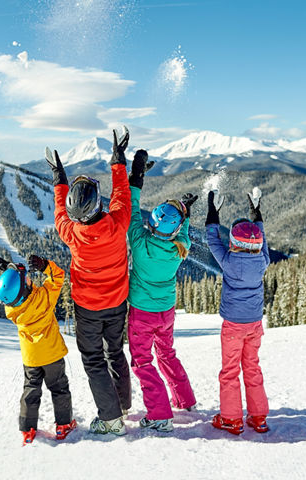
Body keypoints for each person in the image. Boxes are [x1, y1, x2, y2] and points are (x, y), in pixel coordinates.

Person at [44, 126, 132, 436]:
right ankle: (121, 405)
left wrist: (59, 179)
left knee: (94, 360)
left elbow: (58, 212)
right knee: (115, 352)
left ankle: (111, 419)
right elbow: (122, 192)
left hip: (88, 309)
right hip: (118, 303)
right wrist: (117, 160)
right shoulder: (117, 223)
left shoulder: (70, 233)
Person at [126, 150, 198, 433]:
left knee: (143, 361)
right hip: (166, 312)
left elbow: (132, 211)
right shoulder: (180, 248)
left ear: (153, 221)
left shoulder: (140, 241)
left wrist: (136, 179)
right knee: (167, 354)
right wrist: (186, 213)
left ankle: (159, 414)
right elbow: (184, 232)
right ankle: (184, 400)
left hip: (142, 313)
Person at [204, 190, 272, 435]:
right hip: (254, 325)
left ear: (233, 242)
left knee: (230, 371)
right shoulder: (263, 261)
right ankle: (258, 417)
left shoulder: (230, 262)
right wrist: (256, 212)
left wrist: (213, 212)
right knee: (252, 367)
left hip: (233, 326)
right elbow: (261, 236)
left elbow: (212, 241)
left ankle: (231, 419)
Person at [0, 254, 76, 445]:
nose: (30, 278)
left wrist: (9, 270)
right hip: (52, 354)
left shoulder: (12, 309)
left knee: (31, 391)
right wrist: (46, 266)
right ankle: (64, 425)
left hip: (31, 358)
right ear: (25, 288)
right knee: (59, 389)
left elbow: (13, 289)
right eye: (28, 279)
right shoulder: (44, 297)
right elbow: (58, 276)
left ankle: (27, 429)